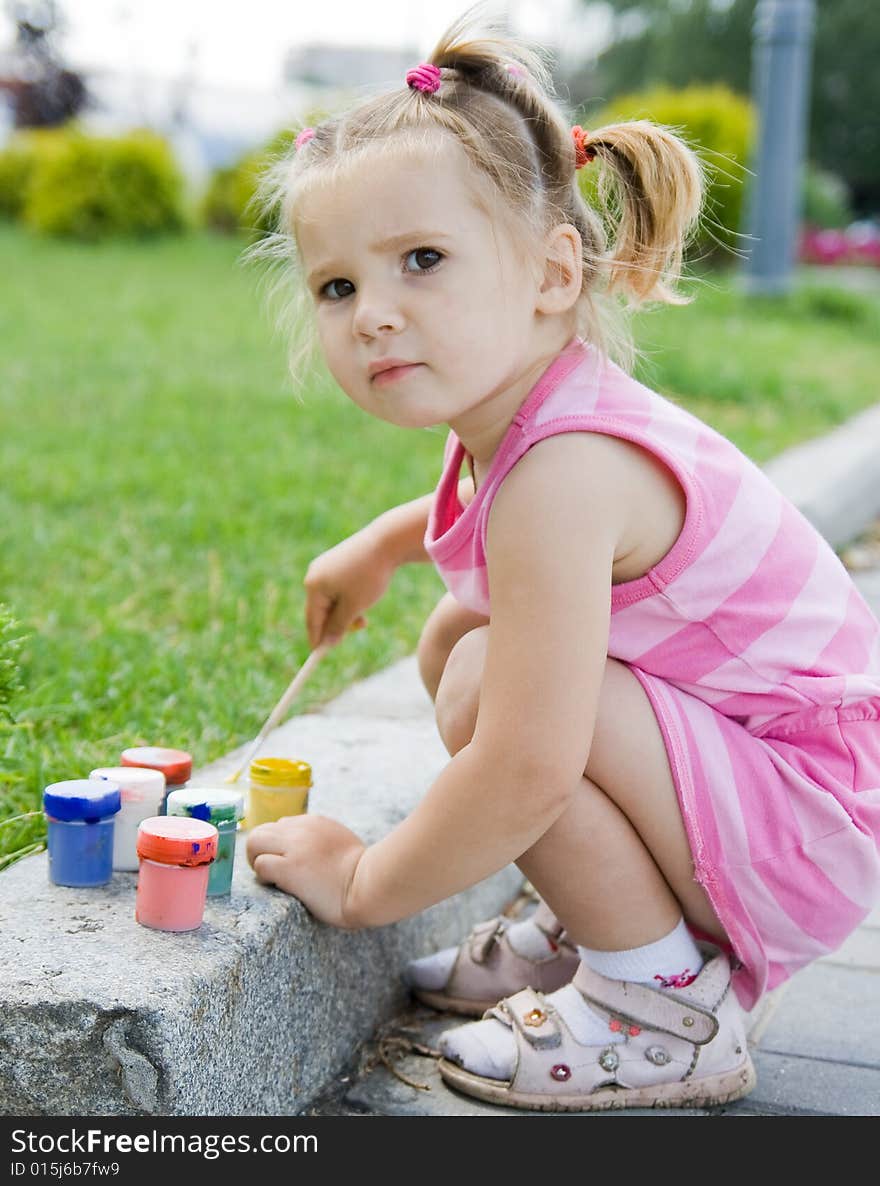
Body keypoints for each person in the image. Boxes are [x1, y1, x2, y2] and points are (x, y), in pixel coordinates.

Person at [244, 3, 880, 1112]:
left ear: (549, 274)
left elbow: (529, 765)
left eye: (421, 261)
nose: (373, 316)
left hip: (806, 823)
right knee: (461, 634)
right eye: (337, 286)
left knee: (495, 678)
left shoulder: (563, 470)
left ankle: (658, 1002)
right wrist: (387, 544)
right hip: (784, 791)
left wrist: (362, 884)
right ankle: (616, 921)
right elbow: (494, 530)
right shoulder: (531, 427)